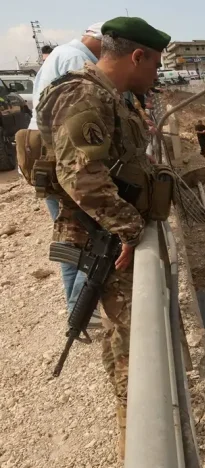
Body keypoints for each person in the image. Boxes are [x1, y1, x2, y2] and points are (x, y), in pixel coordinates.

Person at [35, 16, 171, 459]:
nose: (156, 75)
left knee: (124, 339)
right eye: (155, 65)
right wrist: (130, 228)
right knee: (130, 348)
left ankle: (132, 428)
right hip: (105, 241)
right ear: (137, 56)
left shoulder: (110, 97)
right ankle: (139, 437)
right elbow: (82, 177)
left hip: (108, 237)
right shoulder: (83, 94)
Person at [28, 21, 104, 322]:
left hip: (46, 158)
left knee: (69, 235)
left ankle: (76, 305)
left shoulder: (61, 53)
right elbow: (82, 124)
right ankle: (81, 307)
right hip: (63, 158)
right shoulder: (78, 61)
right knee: (91, 235)